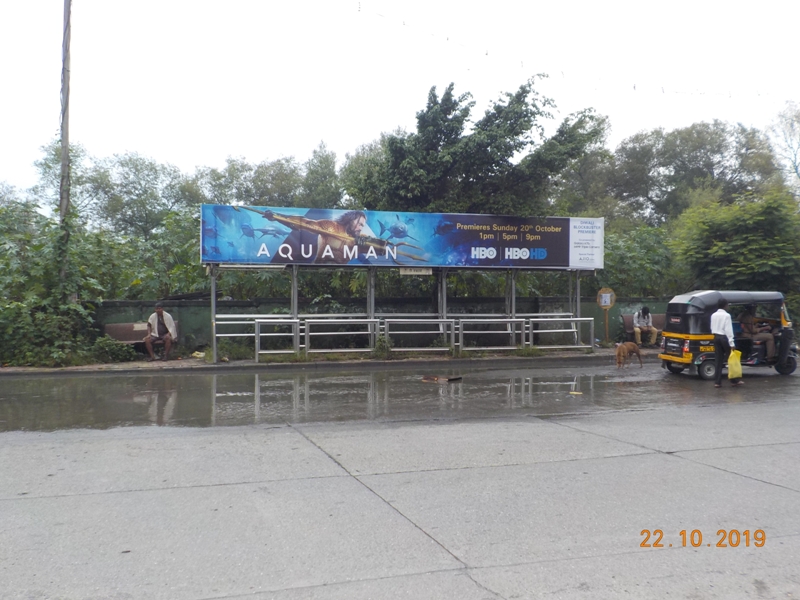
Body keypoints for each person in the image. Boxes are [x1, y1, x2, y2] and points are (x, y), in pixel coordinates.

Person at [711, 298, 743, 387]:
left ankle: (717, 382)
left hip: (716, 337)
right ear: (725, 305)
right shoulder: (727, 316)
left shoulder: (713, 315)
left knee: (718, 360)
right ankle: (734, 380)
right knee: (731, 359)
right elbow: (728, 330)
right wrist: (732, 343)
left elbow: (712, 327)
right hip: (724, 338)